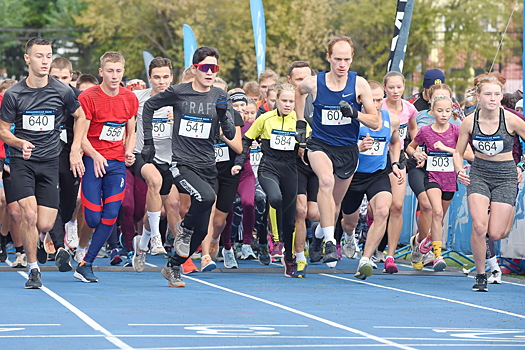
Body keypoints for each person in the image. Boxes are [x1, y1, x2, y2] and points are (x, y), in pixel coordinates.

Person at [141, 46, 236, 288]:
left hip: (208, 165)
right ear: (195, 69)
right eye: (205, 67)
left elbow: (232, 133)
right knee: (206, 198)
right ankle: (182, 229)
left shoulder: (219, 96)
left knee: (201, 231)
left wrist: (224, 115)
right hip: (181, 164)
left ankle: (173, 266)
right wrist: (149, 142)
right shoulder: (178, 92)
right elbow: (150, 107)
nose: (210, 72)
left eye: (214, 68)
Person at [0, 37, 87, 289]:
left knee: (45, 223)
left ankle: (37, 241)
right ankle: (33, 268)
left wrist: (75, 149)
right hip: (22, 161)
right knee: (28, 214)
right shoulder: (14, 94)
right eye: (39, 56)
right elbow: (3, 130)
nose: (45, 60)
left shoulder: (63, 91)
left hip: (49, 161)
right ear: (28, 59)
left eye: (48, 55)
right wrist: (19, 143)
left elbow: (80, 116)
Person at [295, 36, 381, 268]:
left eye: (347, 59)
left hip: (347, 149)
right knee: (325, 181)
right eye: (338, 59)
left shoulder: (359, 84)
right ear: (328, 58)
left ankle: (320, 235)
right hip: (320, 144)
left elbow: (376, 122)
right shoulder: (315, 82)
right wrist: (300, 122)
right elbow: (299, 92)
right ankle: (331, 242)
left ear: (352, 59)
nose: (342, 64)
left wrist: (355, 113)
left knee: (333, 204)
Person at [454, 72, 525, 292]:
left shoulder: (511, 119)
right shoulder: (469, 121)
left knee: (496, 233)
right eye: (488, 94)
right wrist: (459, 171)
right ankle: (480, 274)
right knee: (478, 226)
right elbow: (458, 152)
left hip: (505, 175)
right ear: (478, 97)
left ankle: (508, 209)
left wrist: (521, 166)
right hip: (480, 173)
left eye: (497, 94)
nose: (493, 98)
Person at [75, 51, 138, 283]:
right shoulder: (89, 97)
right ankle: (82, 245)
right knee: (93, 219)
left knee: (111, 214)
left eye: (118, 71)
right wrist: (94, 154)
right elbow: (79, 135)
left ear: (123, 71)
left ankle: (86, 263)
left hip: (117, 163)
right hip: (92, 161)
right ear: (101, 72)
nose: (114, 76)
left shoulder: (129, 98)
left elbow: (131, 132)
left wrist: (129, 150)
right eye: (110, 71)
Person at [234, 83, 300, 277]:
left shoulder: (299, 120)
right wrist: (239, 162)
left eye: (291, 101)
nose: (288, 105)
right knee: (275, 198)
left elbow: (309, 143)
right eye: (284, 101)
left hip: (290, 168)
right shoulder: (265, 118)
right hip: (269, 166)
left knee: (290, 218)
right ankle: (274, 236)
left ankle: (289, 258)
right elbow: (246, 139)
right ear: (276, 101)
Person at [340, 80, 402, 279]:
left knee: (383, 210)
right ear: (361, 100)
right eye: (371, 100)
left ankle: (365, 260)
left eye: (378, 100)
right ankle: (349, 237)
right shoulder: (352, 120)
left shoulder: (391, 119)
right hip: (354, 175)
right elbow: (339, 150)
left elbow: (395, 142)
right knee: (350, 221)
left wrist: (394, 164)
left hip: (378, 174)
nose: (375, 104)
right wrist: (357, 148)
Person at [407, 95, 472, 271]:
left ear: (452, 112)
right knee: (435, 212)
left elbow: (470, 155)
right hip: (432, 177)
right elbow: (410, 146)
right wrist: (416, 154)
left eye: (448, 111)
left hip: (449, 180)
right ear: (433, 111)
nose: (444, 114)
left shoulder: (456, 131)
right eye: (440, 110)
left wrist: (447, 149)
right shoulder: (426, 131)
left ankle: (423, 243)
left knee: (439, 219)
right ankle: (437, 255)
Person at [129, 57, 180, 273]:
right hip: (142, 154)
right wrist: (127, 150)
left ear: (171, 78)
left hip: (168, 159)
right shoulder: (136, 98)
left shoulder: (179, 100)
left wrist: (177, 120)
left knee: (161, 208)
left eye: (165, 77)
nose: (161, 81)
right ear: (149, 78)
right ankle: (157, 238)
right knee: (154, 181)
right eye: (156, 77)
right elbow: (126, 126)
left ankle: (142, 245)